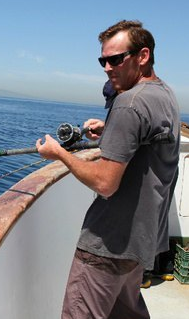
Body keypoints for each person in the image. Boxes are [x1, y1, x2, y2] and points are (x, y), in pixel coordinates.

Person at [36, 20, 180, 319]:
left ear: (142, 56)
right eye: (103, 60)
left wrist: (60, 153)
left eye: (116, 59)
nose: (107, 67)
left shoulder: (129, 104)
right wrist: (110, 131)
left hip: (108, 243)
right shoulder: (164, 94)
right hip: (140, 241)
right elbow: (149, 142)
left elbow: (105, 183)